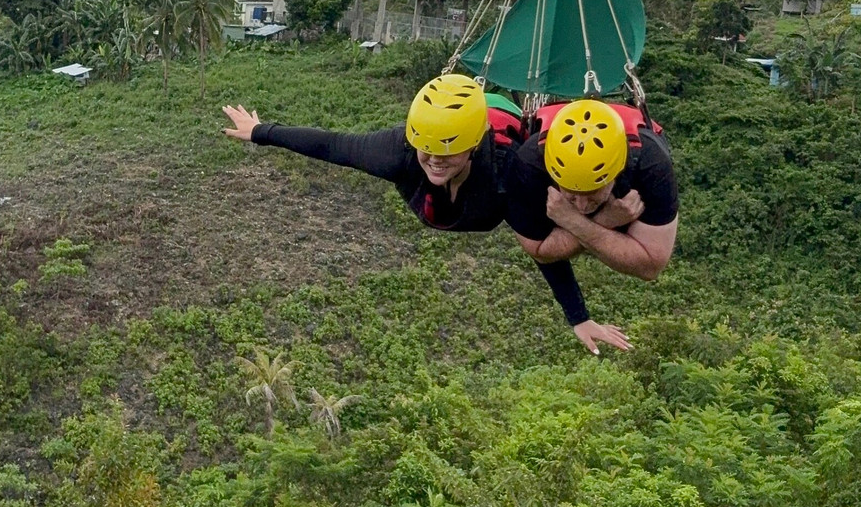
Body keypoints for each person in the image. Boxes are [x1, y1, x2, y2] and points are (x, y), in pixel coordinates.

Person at [222, 75, 630, 354]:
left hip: (497, 145)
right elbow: (333, 146)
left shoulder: (507, 171)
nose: (434, 160)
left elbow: (543, 249)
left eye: (448, 152)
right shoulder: (398, 153)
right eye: (427, 149)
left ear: (473, 146)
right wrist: (261, 132)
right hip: (455, 177)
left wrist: (578, 317)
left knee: (564, 217)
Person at [506, 98, 679, 282]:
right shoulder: (529, 164)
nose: (581, 206)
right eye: (572, 195)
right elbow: (539, 251)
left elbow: (650, 267)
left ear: (616, 175)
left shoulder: (651, 164)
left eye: (592, 194)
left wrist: (572, 221)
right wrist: (606, 219)